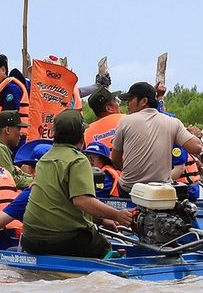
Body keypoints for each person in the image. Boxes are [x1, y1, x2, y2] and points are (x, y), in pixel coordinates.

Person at [20, 110, 133, 258]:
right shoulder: (78, 160)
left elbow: (61, 206)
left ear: (54, 133)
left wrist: (103, 219)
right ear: (81, 136)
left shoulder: (44, 159)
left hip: (30, 240)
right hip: (64, 240)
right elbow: (82, 201)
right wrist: (117, 215)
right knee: (103, 246)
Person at [108, 82, 203, 194]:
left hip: (131, 189)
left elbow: (115, 160)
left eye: (130, 100)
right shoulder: (172, 122)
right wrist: (193, 134)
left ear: (144, 101)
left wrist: (128, 170)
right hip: (161, 190)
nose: (127, 104)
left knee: (123, 185)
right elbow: (197, 147)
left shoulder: (125, 121)